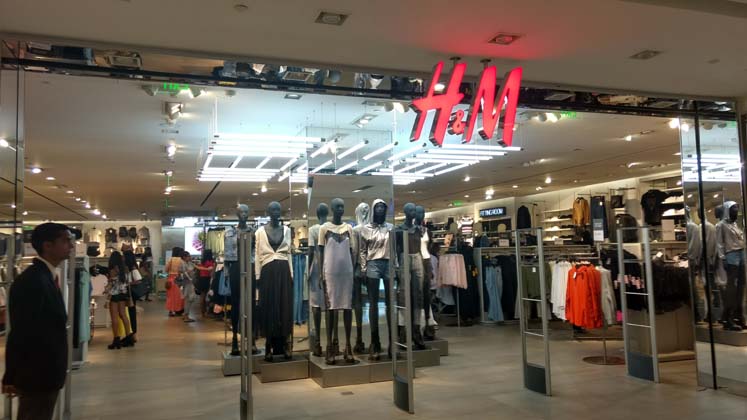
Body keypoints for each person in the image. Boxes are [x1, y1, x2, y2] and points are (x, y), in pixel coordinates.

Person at [3, 223, 73, 420]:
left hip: (46, 372)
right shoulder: (32, 281)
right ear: (47, 245)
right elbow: (21, 331)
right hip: (37, 374)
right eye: (65, 241)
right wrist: (12, 375)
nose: (71, 245)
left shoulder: (46, 277)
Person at [107, 251, 135, 349]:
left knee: (114, 317)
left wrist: (107, 290)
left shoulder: (112, 270)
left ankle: (116, 339)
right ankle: (129, 337)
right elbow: (127, 282)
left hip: (114, 296)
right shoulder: (125, 269)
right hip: (123, 295)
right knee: (123, 315)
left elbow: (111, 285)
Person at [123, 249, 142, 342]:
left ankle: (133, 333)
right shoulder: (126, 268)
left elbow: (138, 281)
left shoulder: (133, 269)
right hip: (127, 293)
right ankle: (129, 333)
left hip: (130, 294)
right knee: (129, 313)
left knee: (131, 313)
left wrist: (128, 284)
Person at [165, 247, 185, 317]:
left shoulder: (170, 259)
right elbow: (183, 270)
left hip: (170, 279)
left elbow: (166, 269)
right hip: (179, 279)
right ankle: (178, 310)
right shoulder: (181, 260)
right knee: (179, 296)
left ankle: (171, 311)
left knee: (170, 296)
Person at [195, 249, 215, 318]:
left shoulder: (202, 261)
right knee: (207, 296)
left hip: (201, 279)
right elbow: (212, 272)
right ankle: (206, 312)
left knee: (202, 296)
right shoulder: (211, 261)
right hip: (207, 279)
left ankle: (202, 312)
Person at [181, 251, 197, 323]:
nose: (190, 257)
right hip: (187, 284)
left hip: (189, 283)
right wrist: (189, 272)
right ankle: (186, 316)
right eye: (188, 256)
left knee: (189, 299)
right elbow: (183, 274)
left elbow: (197, 267)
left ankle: (185, 314)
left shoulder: (189, 263)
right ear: (184, 257)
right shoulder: (183, 264)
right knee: (188, 299)